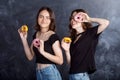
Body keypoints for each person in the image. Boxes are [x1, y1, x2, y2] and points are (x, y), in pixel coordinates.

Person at [61, 9, 109, 80]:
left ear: (82, 19)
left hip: (80, 76)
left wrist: (89, 19)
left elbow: (106, 23)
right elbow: (71, 63)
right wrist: (67, 50)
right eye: (71, 18)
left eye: (76, 17)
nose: (73, 20)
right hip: (72, 75)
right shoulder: (72, 39)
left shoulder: (90, 33)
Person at [18, 7, 63, 80]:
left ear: (51, 20)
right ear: (37, 18)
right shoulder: (36, 35)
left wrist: (42, 52)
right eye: (41, 16)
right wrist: (24, 39)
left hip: (50, 73)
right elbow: (30, 57)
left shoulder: (53, 36)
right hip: (39, 73)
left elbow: (60, 61)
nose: (44, 20)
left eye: (47, 17)